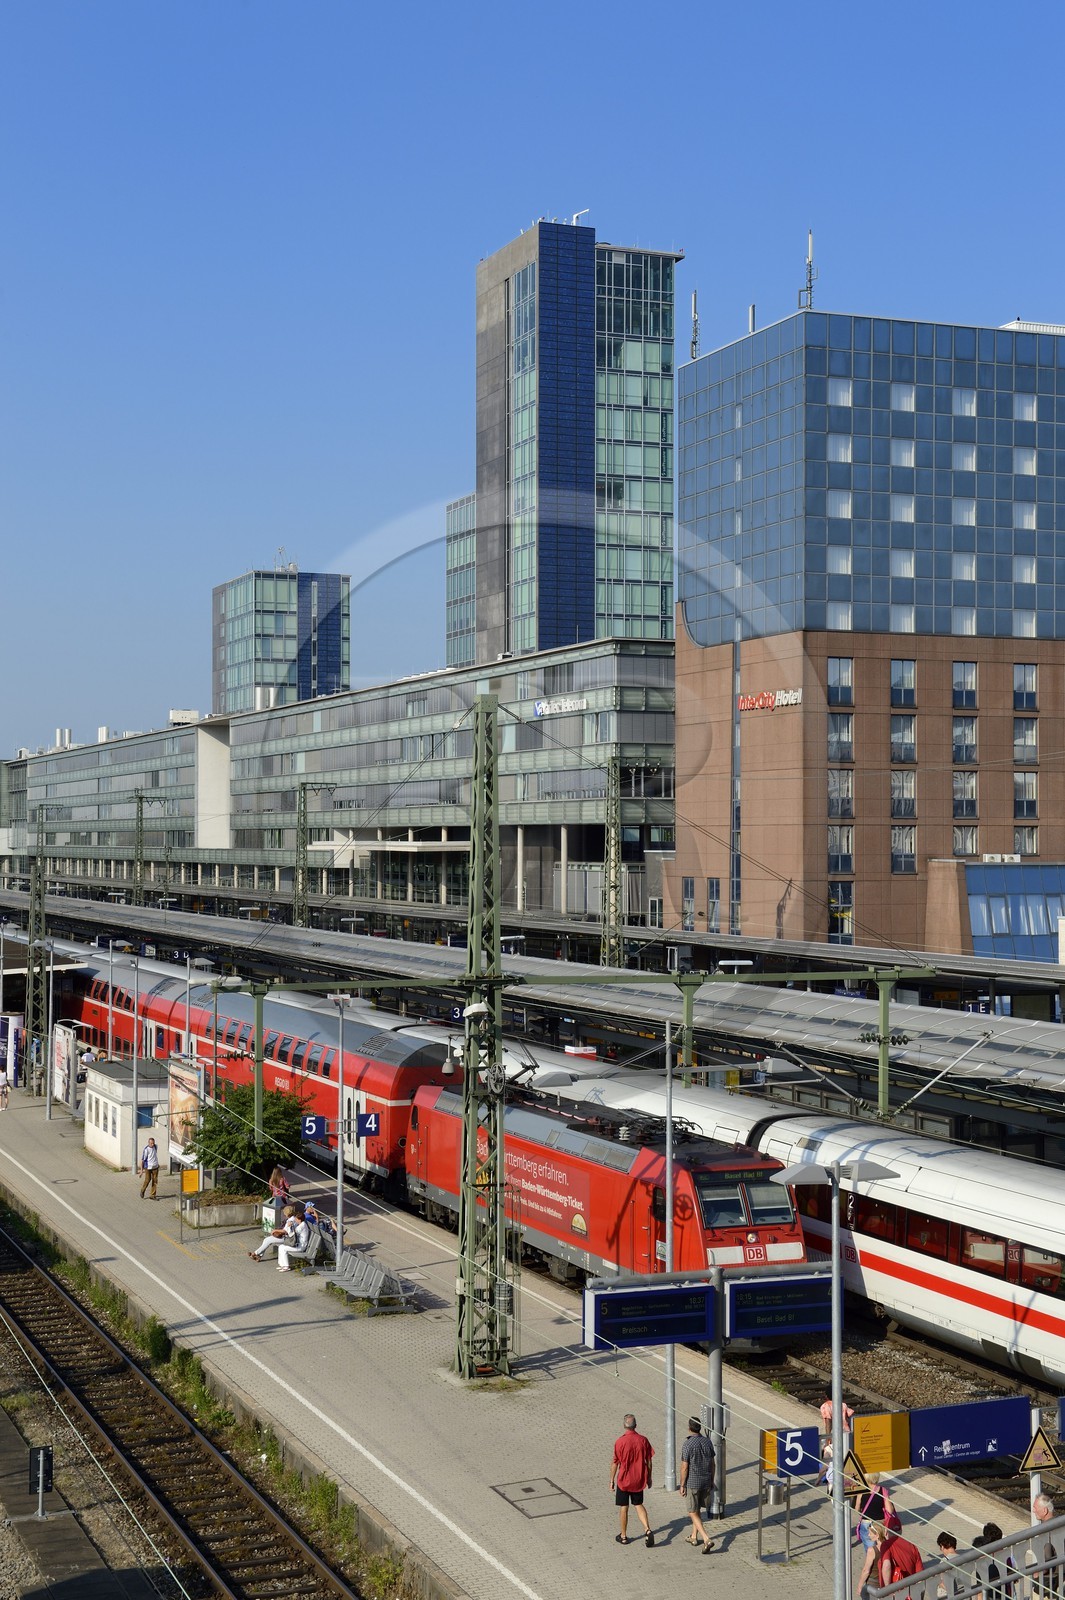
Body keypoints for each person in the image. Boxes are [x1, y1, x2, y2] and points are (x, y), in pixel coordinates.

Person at [610, 1414, 655, 1547]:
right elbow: (649, 1461)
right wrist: (649, 1477)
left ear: (624, 1425)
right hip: (638, 1479)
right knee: (638, 1504)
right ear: (636, 1425)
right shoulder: (643, 1440)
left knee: (624, 1507)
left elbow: (615, 1463)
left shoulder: (620, 1442)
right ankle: (647, 1529)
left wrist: (611, 1480)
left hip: (624, 1480)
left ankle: (623, 1536)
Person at [856, 1474, 898, 1595]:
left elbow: (857, 1508)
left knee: (870, 1552)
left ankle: (873, 1575)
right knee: (882, 1549)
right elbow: (890, 1511)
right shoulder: (883, 1490)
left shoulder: (861, 1489)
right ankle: (883, 1573)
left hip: (866, 1524)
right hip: (880, 1525)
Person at [677, 1417, 715, 1552]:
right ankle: (694, 1536)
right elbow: (712, 1463)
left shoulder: (688, 1444)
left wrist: (682, 1485)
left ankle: (706, 1539)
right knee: (697, 1508)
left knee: (691, 1511)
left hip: (692, 1482)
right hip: (705, 1481)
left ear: (689, 1428)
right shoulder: (707, 1442)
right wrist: (711, 1480)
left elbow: (684, 1467)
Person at [873, 1521, 924, 1599]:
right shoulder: (912, 1546)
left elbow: (886, 1565)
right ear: (901, 1531)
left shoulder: (886, 1545)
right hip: (910, 1594)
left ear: (886, 1532)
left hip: (895, 1594)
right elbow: (920, 1576)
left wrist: (887, 1590)